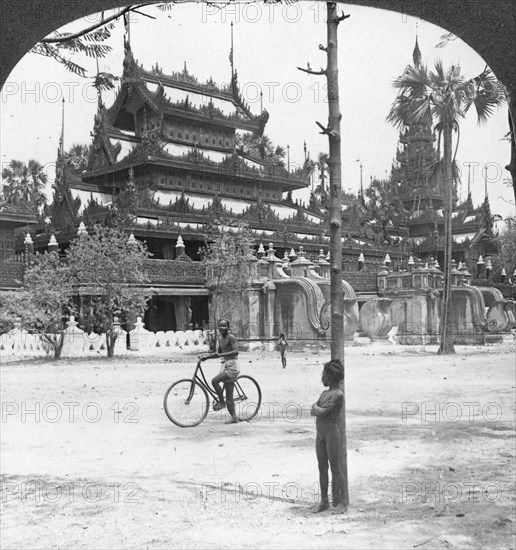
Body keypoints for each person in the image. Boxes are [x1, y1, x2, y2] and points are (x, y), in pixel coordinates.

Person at [310, 358, 347, 513]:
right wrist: (317, 408)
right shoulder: (325, 393)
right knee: (322, 467)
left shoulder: (338, 394)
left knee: (335, 467)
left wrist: (316, 408)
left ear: (330, 376)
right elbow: (317, 408)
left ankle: (343, 501)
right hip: (321, 434)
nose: (322, 378)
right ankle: (324, 500)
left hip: (332, 433)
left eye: (324, 374)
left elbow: (321, 411)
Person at [199, 318, 240, 424]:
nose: (222, 328)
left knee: (214, 381)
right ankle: (234, 417)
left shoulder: (231, 337)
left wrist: (221, 355)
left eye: (224, 326)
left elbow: (236, 352)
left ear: (228, 327)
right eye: (220, 326)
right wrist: (206, 357)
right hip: (226, 365)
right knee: (229, 394)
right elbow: (218, 353)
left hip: (233, 366)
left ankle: (222, 402)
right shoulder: (221, 339)